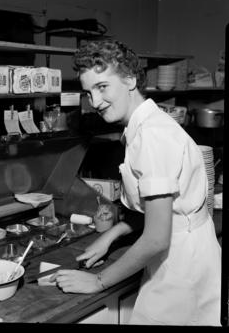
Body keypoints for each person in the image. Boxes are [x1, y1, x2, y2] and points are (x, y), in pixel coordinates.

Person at [50, 40, 221, 326]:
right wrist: (113, 234)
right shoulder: (146, 126)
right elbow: (162, 208)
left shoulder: (151, 137)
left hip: (181, 269)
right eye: (88, 92)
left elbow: (156, 238)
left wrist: (98, 282)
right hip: (189, 254)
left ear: (130, 79)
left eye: (102, 87)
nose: (95, 102)